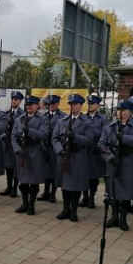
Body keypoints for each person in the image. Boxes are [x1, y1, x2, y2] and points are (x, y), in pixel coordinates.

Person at [99, 101, 133, 231]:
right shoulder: (109, 127)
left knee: (125, 194)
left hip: (128, 163)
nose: (120, 112)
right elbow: (101, 145)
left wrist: (124, 137)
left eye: (124, 110)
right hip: (113, 163)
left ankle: (123, 219)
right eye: (118, 110)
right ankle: (114, 217)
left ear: (130, 112)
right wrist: (110, 157)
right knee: (113, 192)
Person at [51, 94, 95, 222]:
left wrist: (75, 137)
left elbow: (89, 140)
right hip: (64, 156)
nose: (73, 106)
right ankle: (66, 209)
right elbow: (54, 138)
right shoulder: (62, 120)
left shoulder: (87, 121)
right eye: (71, 104)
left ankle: (74, 211)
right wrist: (59, 150)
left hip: (78, 157)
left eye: (75, 104)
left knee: (75, 186)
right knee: (65, 185)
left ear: (81, 106)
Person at [11, 95, 49, 215]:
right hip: (22, 152)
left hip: (35, 152)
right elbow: (13, 136)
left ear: (37, 105)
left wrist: (29, 131)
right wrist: (17, 149)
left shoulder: (42, 119)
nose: (28, 107)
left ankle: (31, 205)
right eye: (27, 105)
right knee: (22, 182)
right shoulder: (19, 119)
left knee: (33, 182)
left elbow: (44, 135)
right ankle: (24, 203)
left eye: (31, 105)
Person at [79, 94, 106, 209]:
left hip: (95, 150)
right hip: (85, 149)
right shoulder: (83, 117)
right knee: (84, 175)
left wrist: (90, 130)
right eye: (89, 103)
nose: (90, 105)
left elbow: (104, 133)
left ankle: (91, 197)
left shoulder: (102, 119)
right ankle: (85, 197)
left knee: (94, 177)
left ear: (98, 105)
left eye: (92, 103)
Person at [38, 95, 65, 203]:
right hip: (45, 146)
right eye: (50, 104)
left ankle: (52, 193)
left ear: (58, 104)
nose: (52, 106)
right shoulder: (45, 115)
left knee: (54, 170)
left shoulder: (62, 116)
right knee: (46, 170)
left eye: (54, 103)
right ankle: (45, 192)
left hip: (55, 147)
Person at [0, 91, 24, 197]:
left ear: (20, 101)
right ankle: (9, 186)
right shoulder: (6, 113)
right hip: (7, 143)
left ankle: (15, 187)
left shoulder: (22, 115)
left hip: (17, 143)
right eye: (13, 99)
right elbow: (1, 127)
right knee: (8, 166)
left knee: (16, 166)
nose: (14, 101)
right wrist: (3, 135)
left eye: (16, 100)